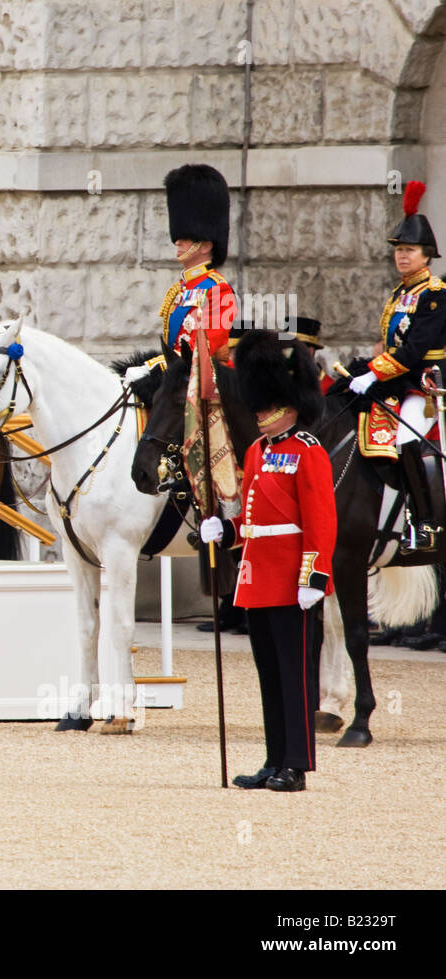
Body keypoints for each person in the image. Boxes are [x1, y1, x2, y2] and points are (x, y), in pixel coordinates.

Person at [200, 330, 335, 793]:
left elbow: (319, 519)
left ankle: (296, 764)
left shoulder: (308, 451)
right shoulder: (258, 451)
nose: (259, 416)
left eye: (267, 408)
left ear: (290, 405)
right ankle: (274, 757)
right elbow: (258, 515)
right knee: (269, 673)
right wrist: (228, 530)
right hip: (259, 577)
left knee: (296, 675)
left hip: (294, 578)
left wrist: (314, 574)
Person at [346, 180, 446, 551]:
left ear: (426, 254)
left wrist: (374, 372)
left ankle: (424, 522)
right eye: (399, 250)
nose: (402, 256)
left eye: (409, 250)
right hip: (398, 381)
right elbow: (390, 343)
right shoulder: (400, 292)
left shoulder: (434, 294)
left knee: (405, 440)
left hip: (426, 386)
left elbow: (415, 349)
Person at [126, 164, 237, 384]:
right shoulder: (181, 288)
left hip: (206, 383)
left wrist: (152, 367)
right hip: (179, 377)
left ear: (205, 245)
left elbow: (203, 349)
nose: (177, 241)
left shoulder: (217, 289)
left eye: (185, 238)